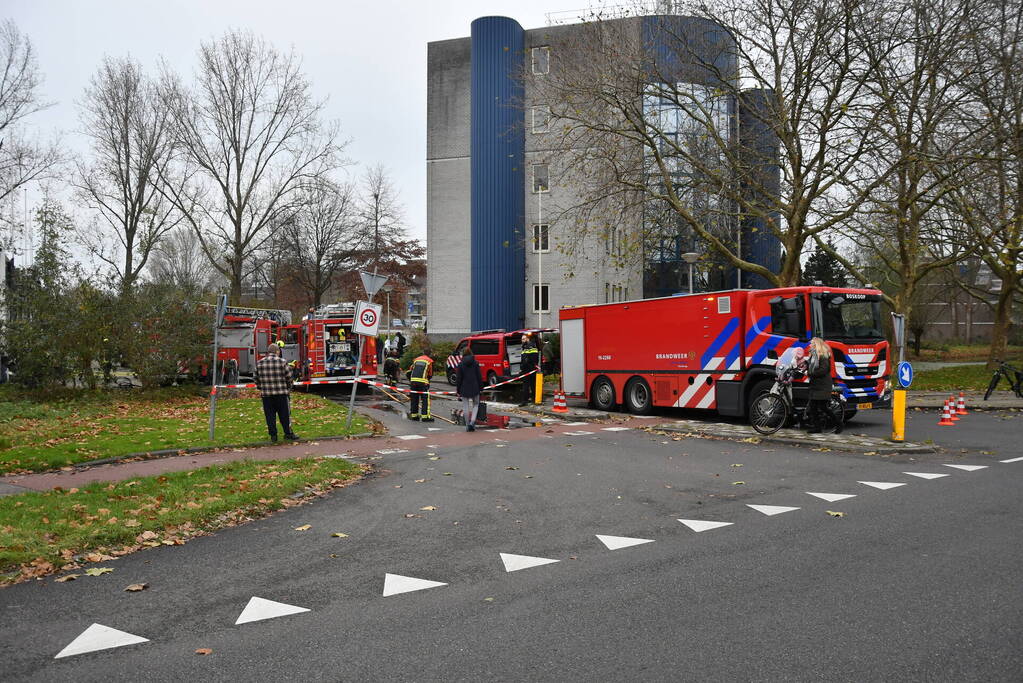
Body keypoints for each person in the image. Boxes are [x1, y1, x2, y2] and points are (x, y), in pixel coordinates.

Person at [254, 345, 298, 442]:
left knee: (270, 416)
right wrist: (288, 387)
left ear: (268, 352)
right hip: (281, 394)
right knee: (285, 415)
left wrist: (261, 388)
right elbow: (289, 377)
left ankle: (273, 436)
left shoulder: (259, 363)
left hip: (267, 395)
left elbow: (256, 379)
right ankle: (288, 433)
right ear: (277, 351)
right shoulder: (282, 362)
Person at [804, 337, 839, 434]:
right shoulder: (813, 356)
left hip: (823, 386)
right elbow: (810, 365)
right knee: (813, 407)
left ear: (816, 345)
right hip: (816, 385)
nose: (810, 345)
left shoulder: (823, 356)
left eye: (812, 343)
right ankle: (817, 427)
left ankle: (838, 424)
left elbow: (823, 370)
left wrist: (809, 373)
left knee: (822, 407)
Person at [456, 348, 484, 431]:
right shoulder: (475, 363)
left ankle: (468, 425)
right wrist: (481, 387)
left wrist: (458, 390)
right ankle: (472, 422)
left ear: (463, 354)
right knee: (476, 405)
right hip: (475, 387)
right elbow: (479, 376)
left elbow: (459, 379)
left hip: (464, 388)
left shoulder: (460, 364)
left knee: (465, 406)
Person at [407, 352, 434, 421]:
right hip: (423, 382)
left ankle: (414, 415)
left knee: (414, 398)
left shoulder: (416, 359)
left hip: (413, 381)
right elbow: (430, 374)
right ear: (429, 355)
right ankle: (425, 417)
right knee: (425, 399)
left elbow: (410, 369)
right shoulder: (429, 361)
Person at [518, 334, 540, 405]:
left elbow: (532, 359)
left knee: (528, 385)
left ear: (527, 339)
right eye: (522, 339)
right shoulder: (525, 347)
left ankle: (526, 401)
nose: (522, 341)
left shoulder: (530, 347)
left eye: (523, 339)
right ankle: (532, 400)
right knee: (529, 385)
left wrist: (523, 367)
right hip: (528, 369)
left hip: (529, 369)